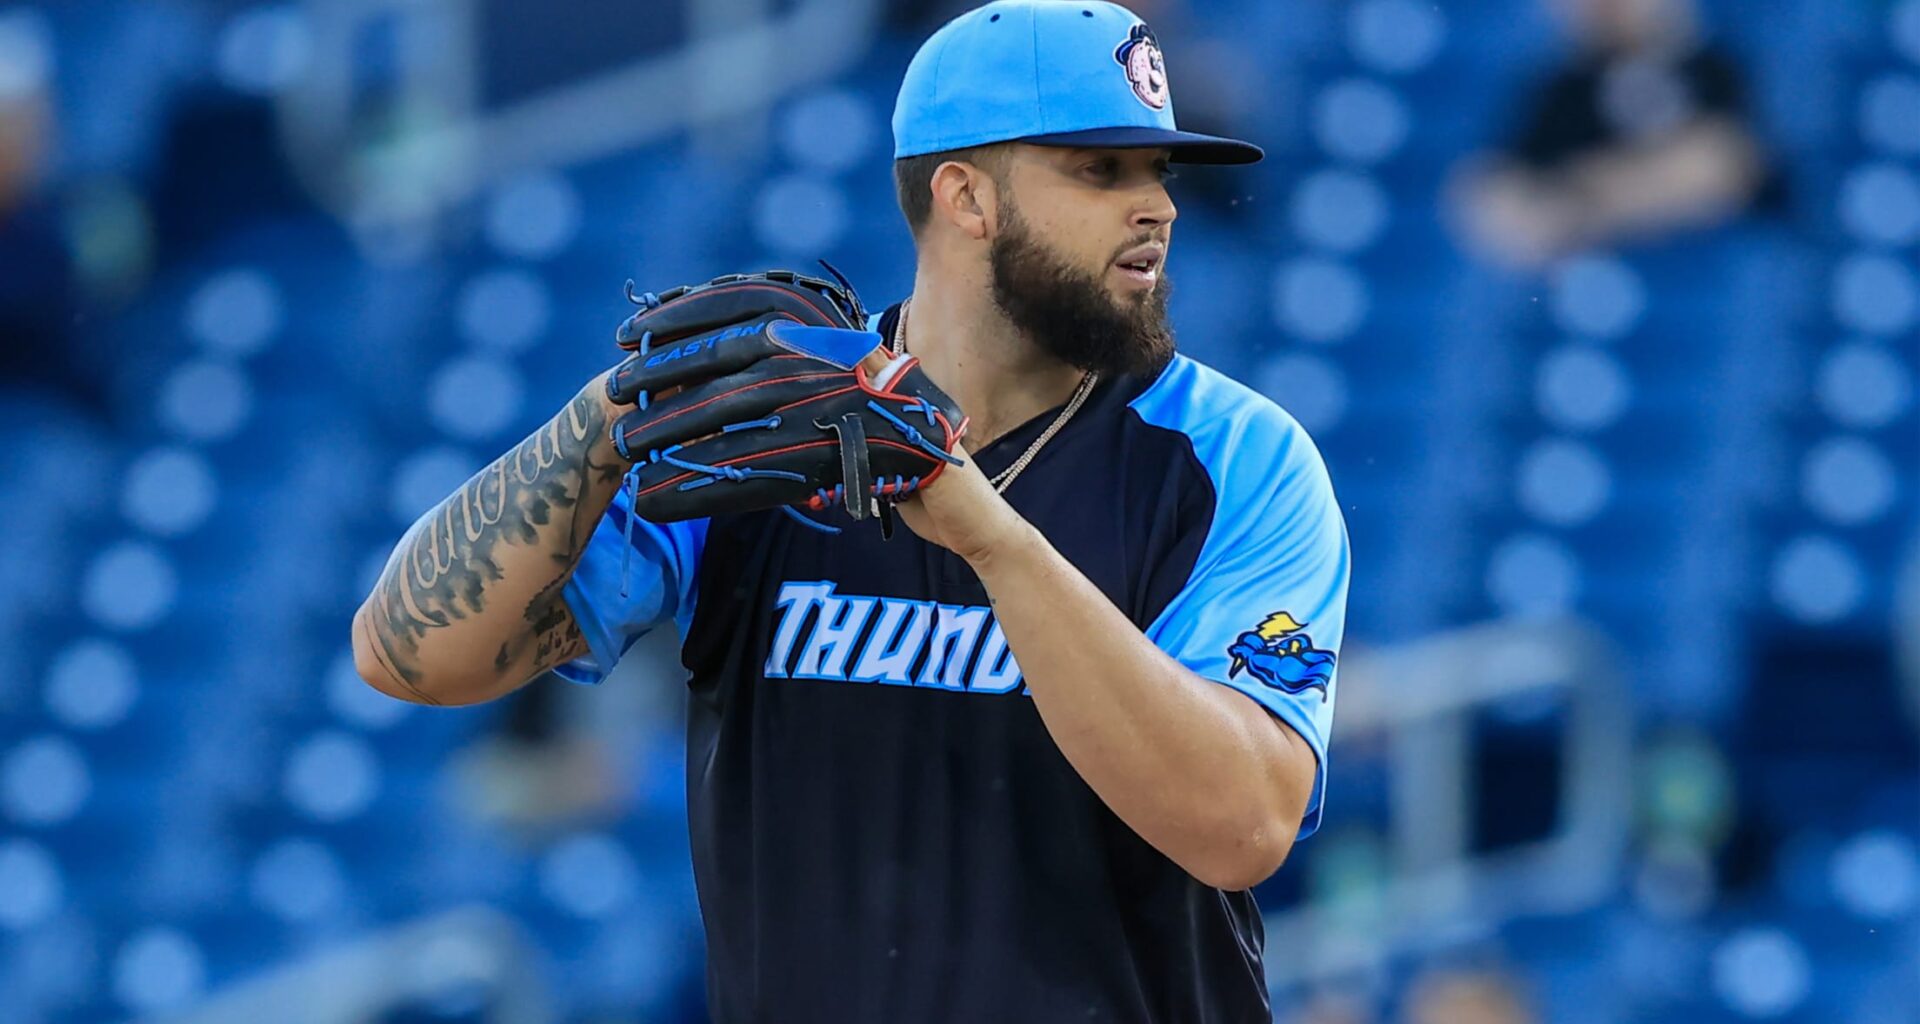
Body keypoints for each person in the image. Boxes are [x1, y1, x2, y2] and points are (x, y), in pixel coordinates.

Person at [352, 1, 1349, 1020]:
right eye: (1103, 170)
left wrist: (991, 540)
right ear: (967, 195)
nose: (1158, 208)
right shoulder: (776, 423)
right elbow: (407, 656)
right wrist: (608, 417)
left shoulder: (1235, 458)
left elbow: (1243, 825)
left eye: (1159, 172)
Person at [1450, 0, 1773, 269]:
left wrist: (1587, 192)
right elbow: (1498, 204)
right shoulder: (1557, 92)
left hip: (1720, 261)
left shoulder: (1719, 64)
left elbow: (1724, 170)